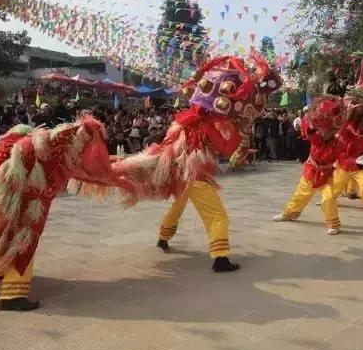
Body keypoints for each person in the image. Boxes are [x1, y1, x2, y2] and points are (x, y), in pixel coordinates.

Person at [112, 54, 283, 272]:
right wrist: (241, 134)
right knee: (218, 216)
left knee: (179, 204)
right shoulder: (211, 125)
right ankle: (220, 258)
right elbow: (226, 149)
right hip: (196, 174)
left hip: (181, 171)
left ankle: (163, 237)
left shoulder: (187, 121)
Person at [0, 114, 132, 315]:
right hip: (22, 202)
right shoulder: (32, 143)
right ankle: (14, 295)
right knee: (23, 241)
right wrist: (86, 129)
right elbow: (58, 148)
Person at [273, 97, 344, 232]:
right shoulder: (317, 139)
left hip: (326, 174)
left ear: (333, 131)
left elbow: (341, 160)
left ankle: (334, 225)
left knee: (328, 199)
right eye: (323, 130)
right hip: (311, 170)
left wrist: (330, 166)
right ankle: (289, 214)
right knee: (300, 194)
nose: (325, 132)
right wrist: (312, 121)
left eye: (328, 131)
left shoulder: (338, 144)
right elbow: (309, 133)